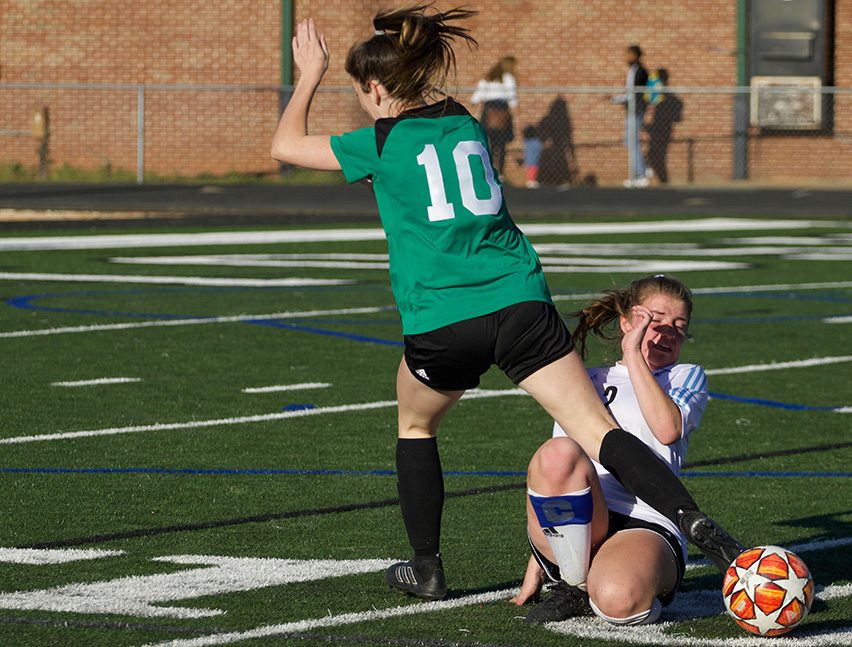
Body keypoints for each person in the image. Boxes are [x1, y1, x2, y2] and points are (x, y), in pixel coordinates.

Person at [271, 5, 742, 604]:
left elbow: (284, 145)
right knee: (598, 431)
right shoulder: (465, 122)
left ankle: (428, 568)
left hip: (442, 318)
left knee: (415, 426)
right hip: (519, 303)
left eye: (360, 90)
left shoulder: (380, 142)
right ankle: (691, 518)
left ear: (376, 88)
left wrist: (309, 73)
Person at [513, 275, 726, 623]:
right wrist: (539, 557)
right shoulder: (587, 379)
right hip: (581, 516)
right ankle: (573, 580)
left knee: (618, 599)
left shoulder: (686, 376)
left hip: (647, 518)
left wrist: (633, 353)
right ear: (627, 321)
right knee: (556, 453)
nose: (667, 331)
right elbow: (558, 471)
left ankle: (606, 581)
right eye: (654, 320)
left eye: (679, 325)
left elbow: (667, 428)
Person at [470, 56, 517, 178]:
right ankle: (500, 172)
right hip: (502, 112)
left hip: (488, 112)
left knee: (486, 142)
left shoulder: (488, 78)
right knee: (501, 145)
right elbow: (512, 99)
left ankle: (486, 170)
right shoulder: (508, 78)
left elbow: (476, 97)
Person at [612, 44, 650, 188]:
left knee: (632, 141)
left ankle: (640, 174)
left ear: (634, 55)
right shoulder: (632, 71)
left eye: (628, 54)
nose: (625, 57)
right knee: (628, 141)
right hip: (632, 110)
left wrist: (615, 99)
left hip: (636, 109)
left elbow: (631, 94)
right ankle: (639, 171)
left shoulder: (640, 71)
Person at [646, 69, 683, 184]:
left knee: (658, 156)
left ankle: (663, 181)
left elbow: (677, 117)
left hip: (663, 131)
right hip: (656, 130)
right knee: (653, 156)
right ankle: (661, 179)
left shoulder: (668, 98)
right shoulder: (658, 97)